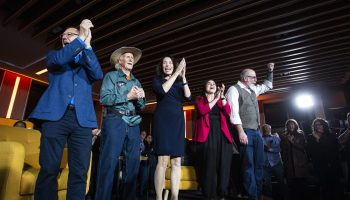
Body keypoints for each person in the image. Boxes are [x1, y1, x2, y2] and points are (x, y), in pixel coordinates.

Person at [29, 19, 103, 200]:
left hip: (82, 120)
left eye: (70, 34)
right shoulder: (54, 56)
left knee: (79, 171)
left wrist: (87, 45)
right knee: (49, 168)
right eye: (64, 36)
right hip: (55, 117)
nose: (65, 37)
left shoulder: (86, 59)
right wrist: (80, 38)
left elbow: (98, 74)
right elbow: (63, 58)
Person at [95, 47, 145, 200]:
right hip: (115, 120)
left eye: (132, 57)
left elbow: (141, 106)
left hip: (133, 122)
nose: (131, 59)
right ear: (119, 61)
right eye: (127, 56)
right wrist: (128, 96)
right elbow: (104, 99)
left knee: (133, 164)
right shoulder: (111, 76)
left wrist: (141, 99)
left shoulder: (136, 81)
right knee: (109, 163)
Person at [225, 62, 274, 200]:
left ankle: (257, 195)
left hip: (256, 132)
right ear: (245, 78)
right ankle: (252, 196)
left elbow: (267, 86)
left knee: (259, 165)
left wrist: (269, 71)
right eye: (253, 77)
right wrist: (240, 132)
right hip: (244, 131)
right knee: (248, 165)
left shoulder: (252, 89)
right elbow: (233, 113)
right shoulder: (233, 90)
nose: (255, 80)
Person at [152, 56, 191, 200]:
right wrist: (176, 73)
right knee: (162, 160)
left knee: (176, 161)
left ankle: (175, 197)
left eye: (170, 63)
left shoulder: (180, 82)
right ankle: (158, 197)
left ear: (173, 65)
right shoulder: (157, 80)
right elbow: (163, 91)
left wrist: (184, 75)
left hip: (178, 122)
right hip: (162, 121)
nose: (167, 65)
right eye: (164, 63)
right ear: (161, 66)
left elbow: (188, 96)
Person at [193, 79, 233, 199]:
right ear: (204, 86)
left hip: (222, 135)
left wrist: (222, 97)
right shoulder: (199, 99)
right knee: (209, 165)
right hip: (207, 136)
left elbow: (228, 112)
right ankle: (210, 195)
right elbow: (203, 110)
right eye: (209, 83)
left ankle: (223, 193)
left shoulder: (220, 101)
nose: (212, 85)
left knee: (223, 165)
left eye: (214, 84)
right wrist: (216, 98)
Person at [306, 118, 342, 200]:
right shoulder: (310, 137)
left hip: (333, 166)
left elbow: (334, 149)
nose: (318, 126)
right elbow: (311, 152)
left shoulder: (331, 135)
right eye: (316, 125)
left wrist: (319, 140)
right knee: (324, 189)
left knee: (336, 188)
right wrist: (316, 140)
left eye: (320, 124)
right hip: (320, 167)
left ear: (324, 125)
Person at [280, 119, 310, 200]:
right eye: (289, 125)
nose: (291, 126)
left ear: (295, 125)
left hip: (300, 164)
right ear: (287, 126)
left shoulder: (300, 134)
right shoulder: (284, 136)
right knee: (292, 187)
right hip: (289, 164)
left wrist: (292, 141)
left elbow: (302, 147)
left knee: (303, 186)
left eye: (292, 124)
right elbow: (282, 149)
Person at [261, 124, 286, 200]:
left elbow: (279, 149)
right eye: (264, 128)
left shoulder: (275, 137)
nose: (266, 129)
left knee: (281, 182)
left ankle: (283, 197)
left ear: (270, 129)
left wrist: (269, 149)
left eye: (267, 128)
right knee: (267, 185)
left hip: (276, 163)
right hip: (265, 165)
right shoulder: (260, 139)